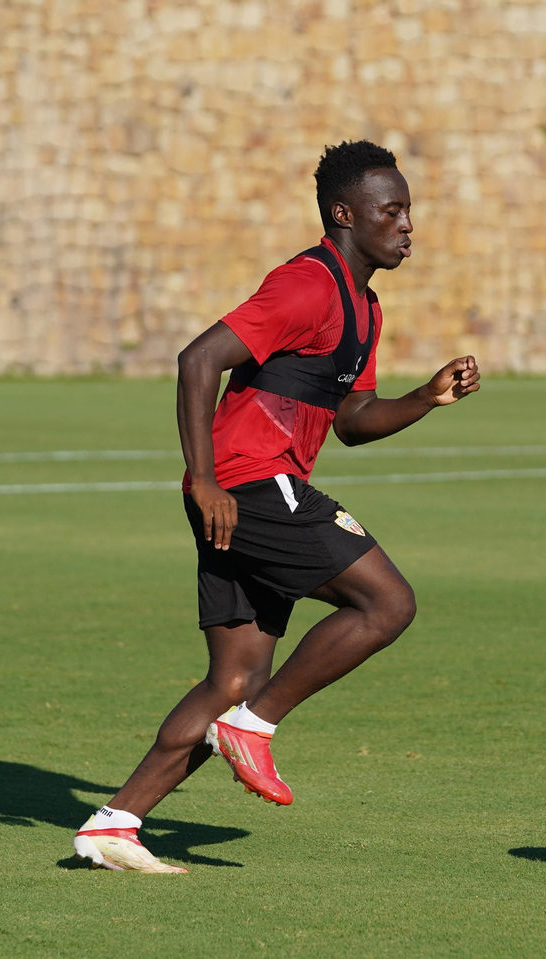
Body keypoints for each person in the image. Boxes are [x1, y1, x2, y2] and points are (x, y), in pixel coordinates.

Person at [73, 141, 480, 874]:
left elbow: (352, 421)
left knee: (232, 681)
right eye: (393, 211)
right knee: (386, 605)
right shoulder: (306, 286)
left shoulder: (364, 307)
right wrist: (204, 479)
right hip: (248, 483)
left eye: (410, 210)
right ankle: (254, 730)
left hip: (242, 490)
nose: (408, 224)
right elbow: (198, 359)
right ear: (344, 214)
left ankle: (115, 823)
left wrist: (426, 398)